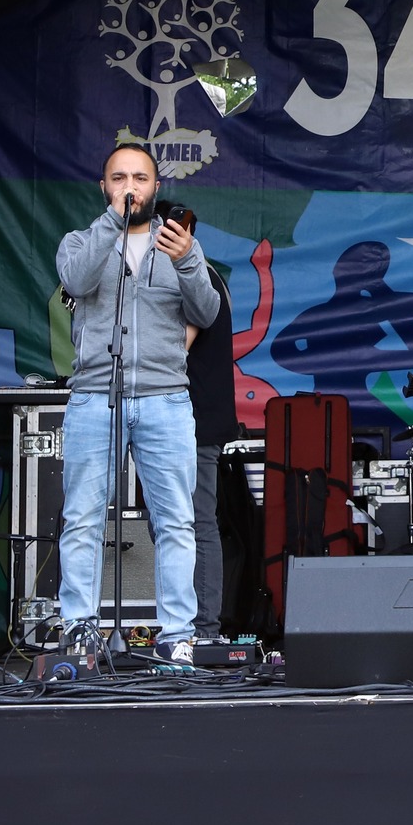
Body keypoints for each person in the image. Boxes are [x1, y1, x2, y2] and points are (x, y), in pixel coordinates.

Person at [57, 145, 219, 663]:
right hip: (94, 397)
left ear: (156, 186)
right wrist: (113, 221)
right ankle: (80, 630)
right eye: (120, 178)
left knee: (176, 522)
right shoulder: (80, 241)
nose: (131, 186)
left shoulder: (180, 245)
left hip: (164, 399)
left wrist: (188, 260)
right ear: (104, 186)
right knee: (82, 520)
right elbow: (75, 281)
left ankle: (177, 636)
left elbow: (207, 313)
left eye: (140, 178)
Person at [170, 203, 240, 646]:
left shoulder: (197, 277)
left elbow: (176, 346)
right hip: (186, 419)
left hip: (194, 420)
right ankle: (186, 625)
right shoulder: (205, 275)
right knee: (179, 524)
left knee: (195, 523)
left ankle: (203, 630)